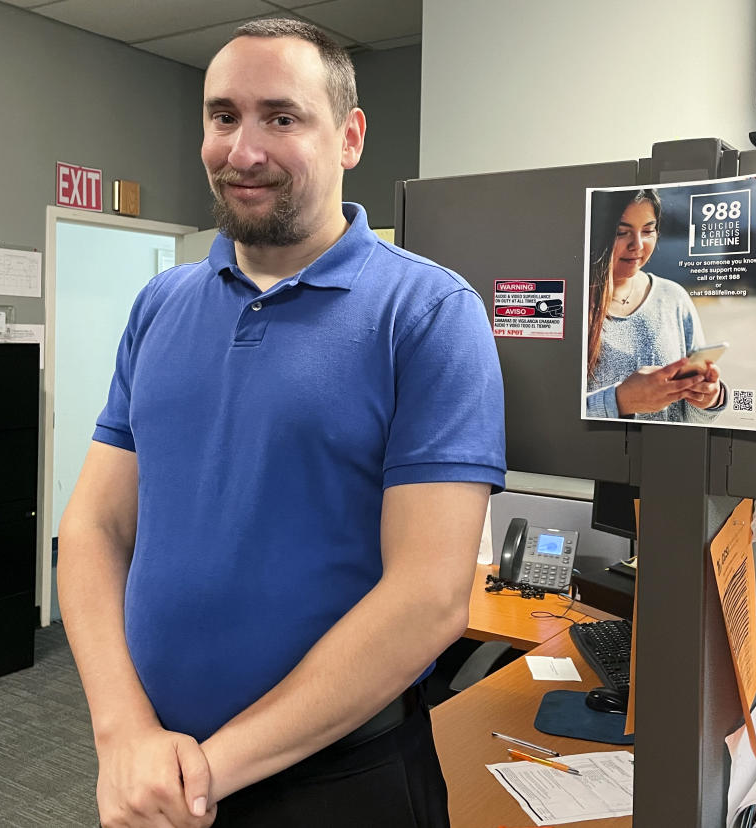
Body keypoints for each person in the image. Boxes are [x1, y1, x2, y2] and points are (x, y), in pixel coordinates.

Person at [57, 18, 505, 828]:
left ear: (350, 136)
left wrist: (205, 774)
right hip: (156, 765)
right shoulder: (160, 305)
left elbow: (428, 598)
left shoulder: (430, 312)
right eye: (223, 116)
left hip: (339, 779)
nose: (243, 149)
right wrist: (124, 734)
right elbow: (92, 526)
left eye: (282, 117)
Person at [584, 188, 727, 422]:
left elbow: (690, 421)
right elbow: (549, 415)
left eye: (648, 230)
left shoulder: (673, 298)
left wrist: (708, 400)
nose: (638, 245)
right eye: (622, 232)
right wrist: (619, 401)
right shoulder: (565, 304)